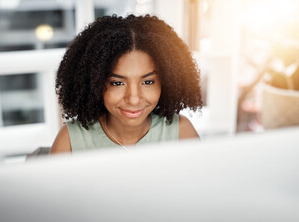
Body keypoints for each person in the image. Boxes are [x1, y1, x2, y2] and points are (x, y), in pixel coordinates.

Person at [50, 14, 203, 153]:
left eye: (148, 82)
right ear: (93, 84)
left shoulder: (181, 133)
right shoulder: (70, 140)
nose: (134, 99)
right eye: (117, 83)